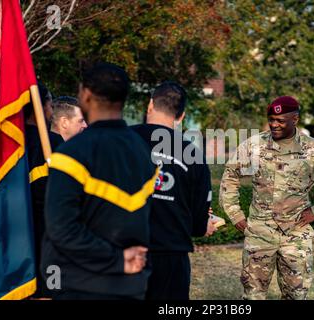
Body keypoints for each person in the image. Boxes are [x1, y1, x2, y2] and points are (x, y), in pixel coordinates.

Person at [41, 63, 159, 300]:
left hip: (82, 285)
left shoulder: (70, 154)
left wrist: (115, 260)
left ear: (85, 95)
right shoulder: (144, 152)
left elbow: (62, 230)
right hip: (131, 287)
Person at [219, 96, 314, 300]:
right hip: (259, 233)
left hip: (296, 234)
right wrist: (235, 214)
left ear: (295, 119)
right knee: (253, 295)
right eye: (271, 119)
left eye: (280, 120)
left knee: (296, 295)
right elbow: (230, 176)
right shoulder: (254, 146)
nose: (274, 124)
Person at [130, 81, 216, 300]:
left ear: (150, 105)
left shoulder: (122, 140)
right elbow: (198, 225)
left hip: (123, 251)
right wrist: (206, 224)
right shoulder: (193, 154)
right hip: (171, 258)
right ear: (182, 116)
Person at [24, 82, 64, 298]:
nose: (51, 112)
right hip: (47, 238)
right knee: (49, 291)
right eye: (49, 105)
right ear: (41, 106)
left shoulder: (7, 144)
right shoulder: (54, 143)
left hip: (12, 237)